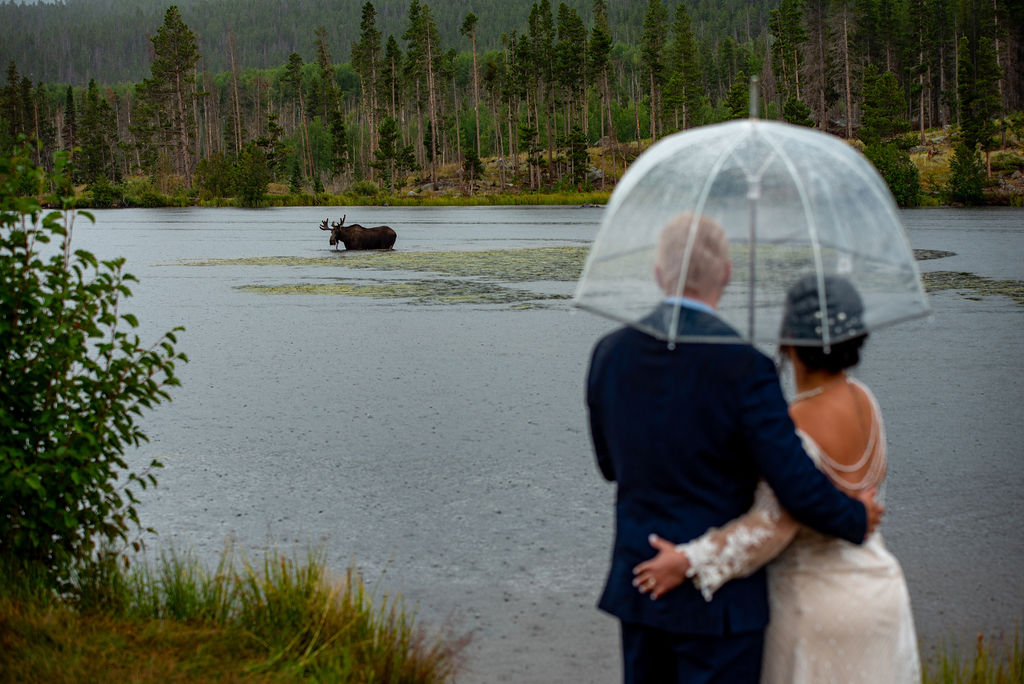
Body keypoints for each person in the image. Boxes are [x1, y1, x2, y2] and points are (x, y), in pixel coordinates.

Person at [586, 213, 883, 684]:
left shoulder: (608, 352)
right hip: (720, 609)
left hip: (642, 585)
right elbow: (795, 485)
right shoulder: (746, 367)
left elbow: (608, 466)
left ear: (659, 273)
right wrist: (854, 516)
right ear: (725, 274)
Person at [632, 274, 921, 683]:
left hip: (816, 604)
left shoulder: (794, 423)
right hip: (880, 589)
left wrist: (688, 560)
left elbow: (772, 527)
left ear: (788, 339)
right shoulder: (864, 399)